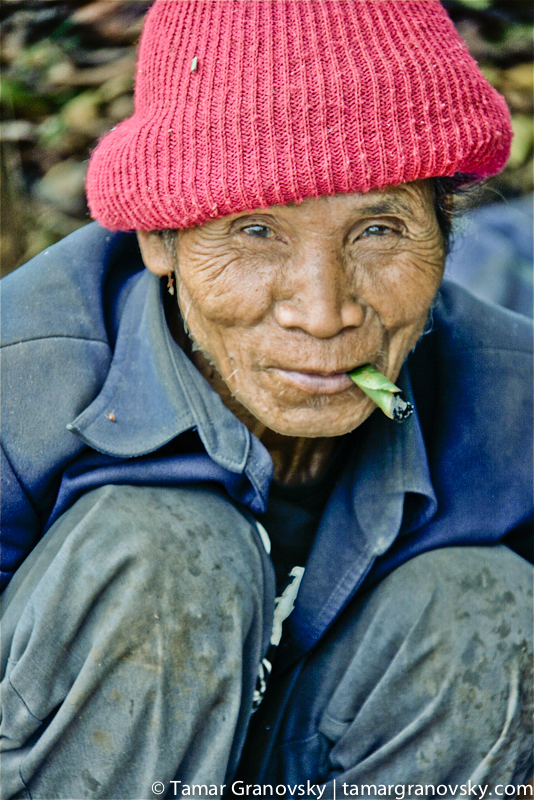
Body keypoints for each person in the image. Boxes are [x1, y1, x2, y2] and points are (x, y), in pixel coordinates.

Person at [1, 1, 532, 798]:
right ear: (160, 239)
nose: (324, 312)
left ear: (447, 235)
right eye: (255, 231)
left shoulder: (511, 398)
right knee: (162, 552)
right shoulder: (20, 379)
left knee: (485, 602)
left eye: (380, 230)